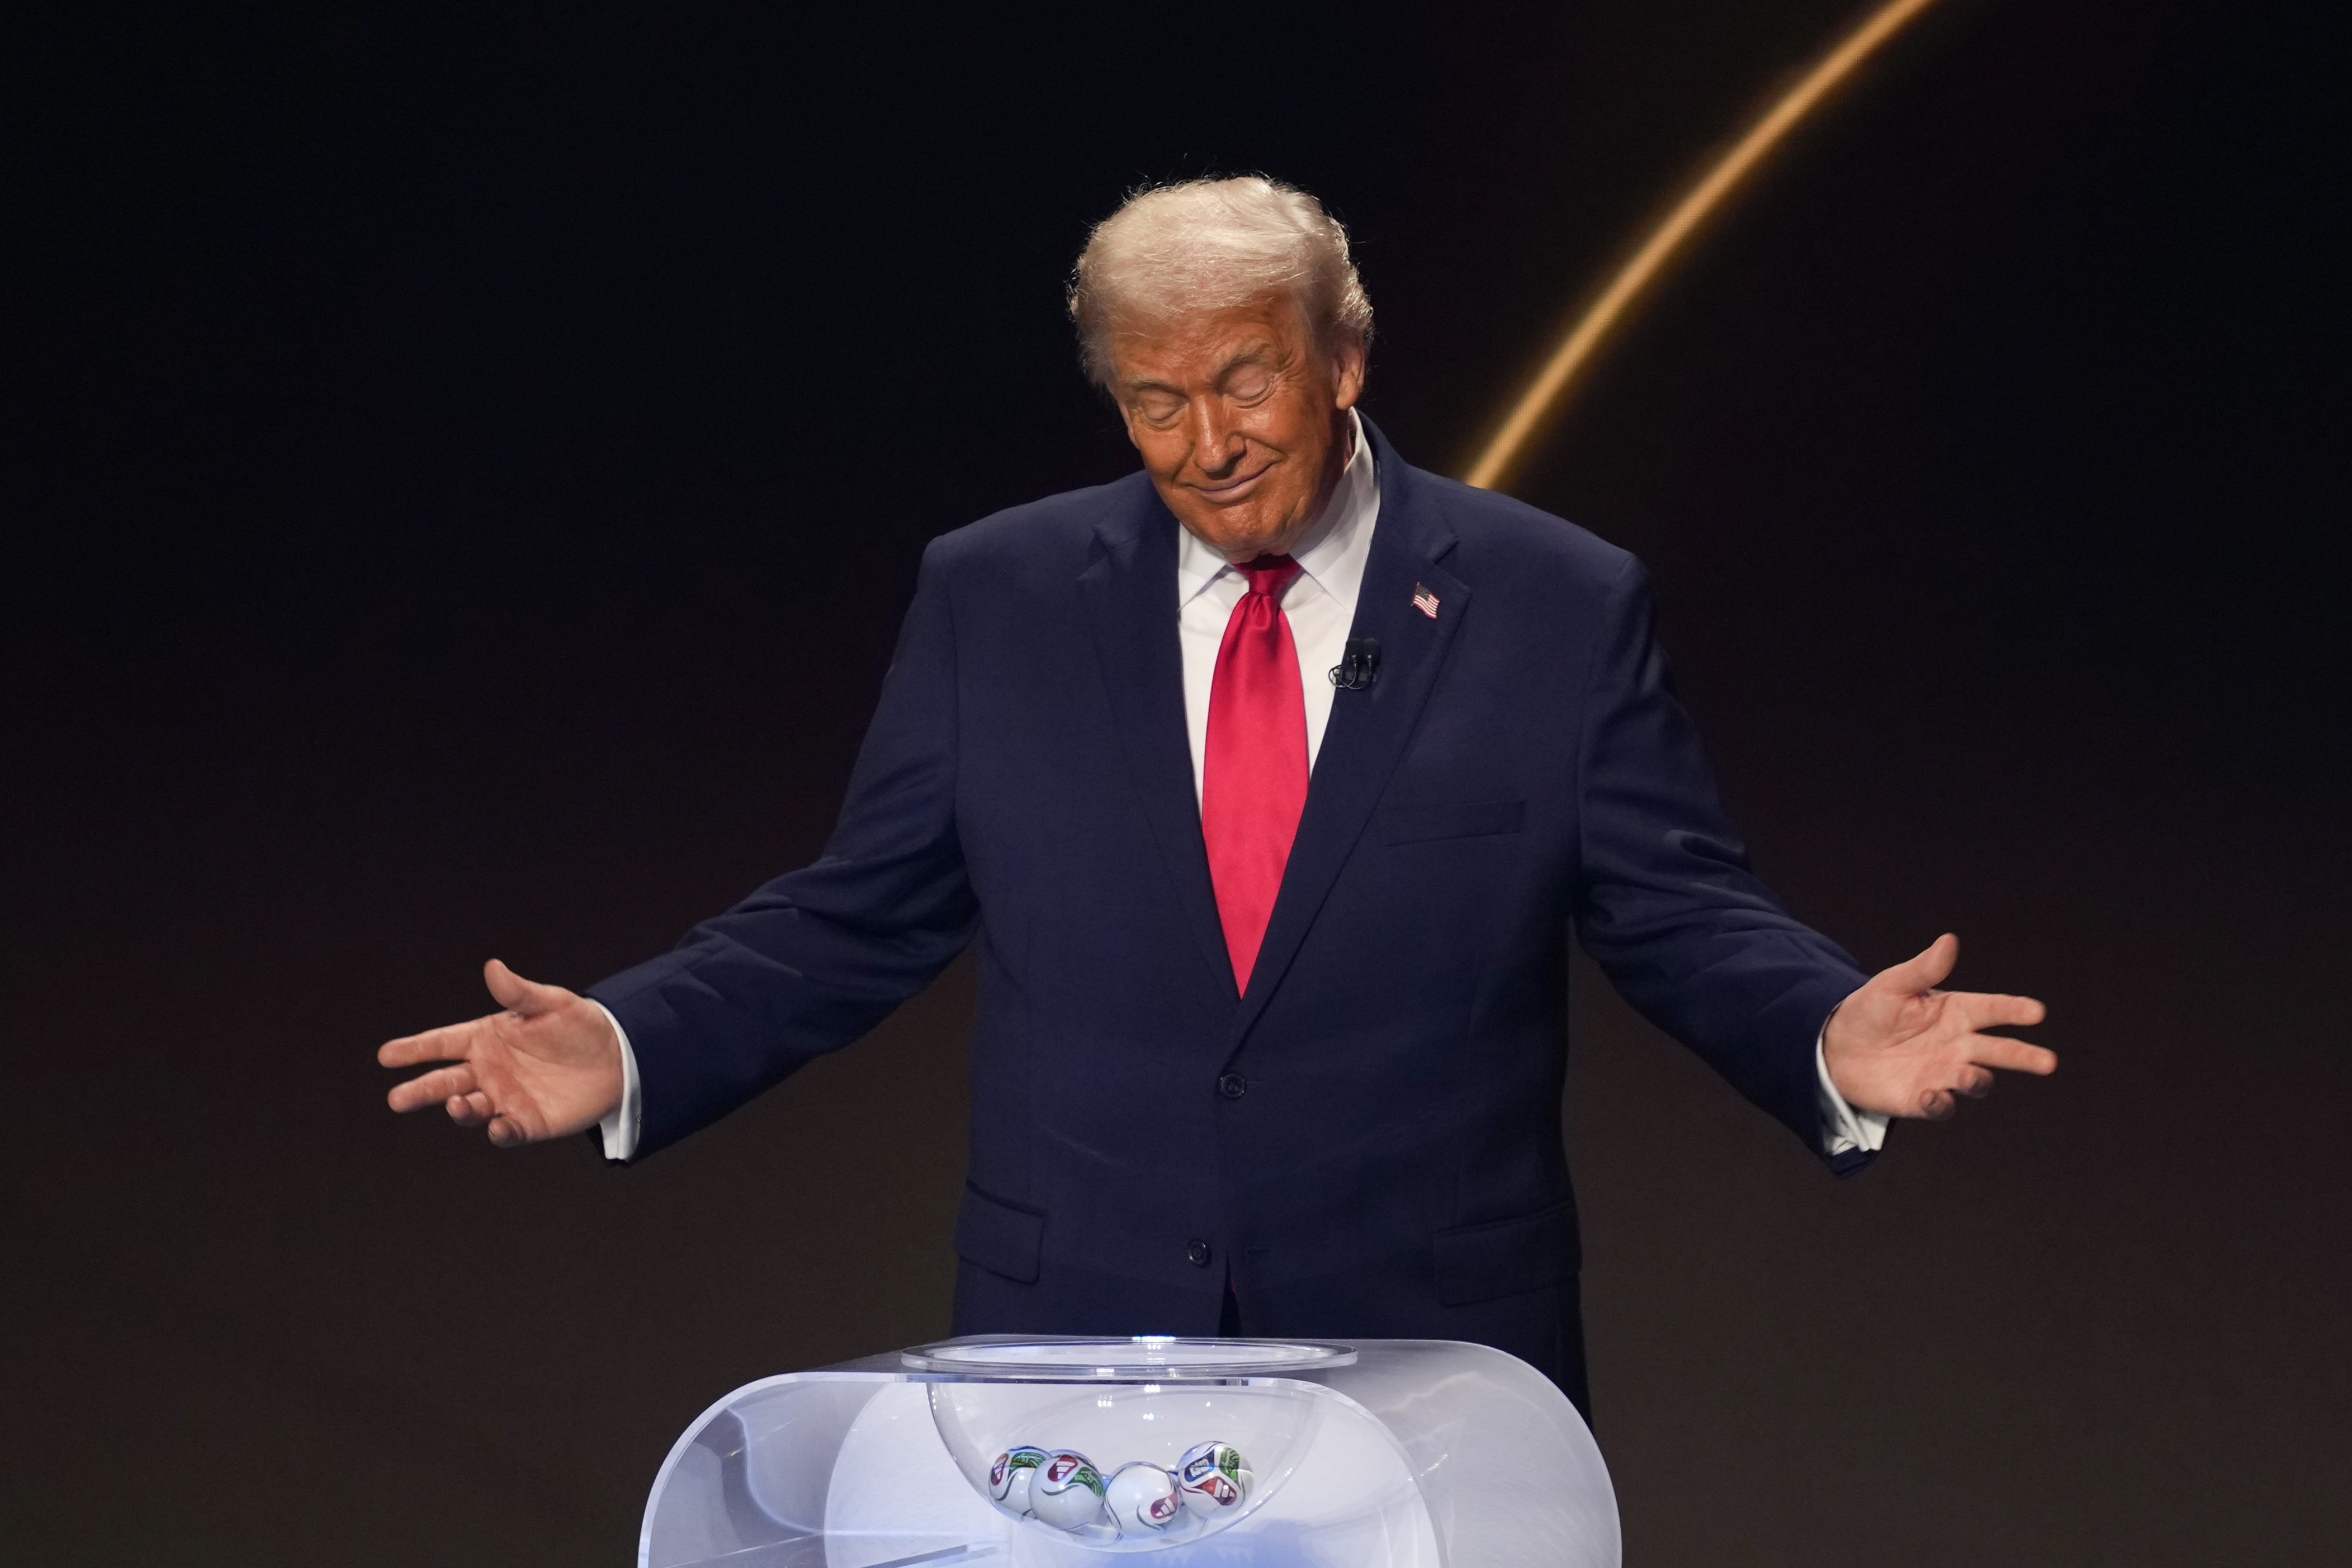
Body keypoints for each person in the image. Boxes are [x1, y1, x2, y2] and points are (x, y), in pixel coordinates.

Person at [378, 177, 2052, 1411]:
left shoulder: (1552, 602)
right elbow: (854, 912)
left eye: (1245, 382)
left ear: (1346, 360)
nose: (1206, 445)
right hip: (1076, 1348)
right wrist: (632, 1042)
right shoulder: (997, 594)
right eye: (1153, 400)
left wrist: (1824, 1034)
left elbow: (1678, 911)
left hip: (1434, 1356)